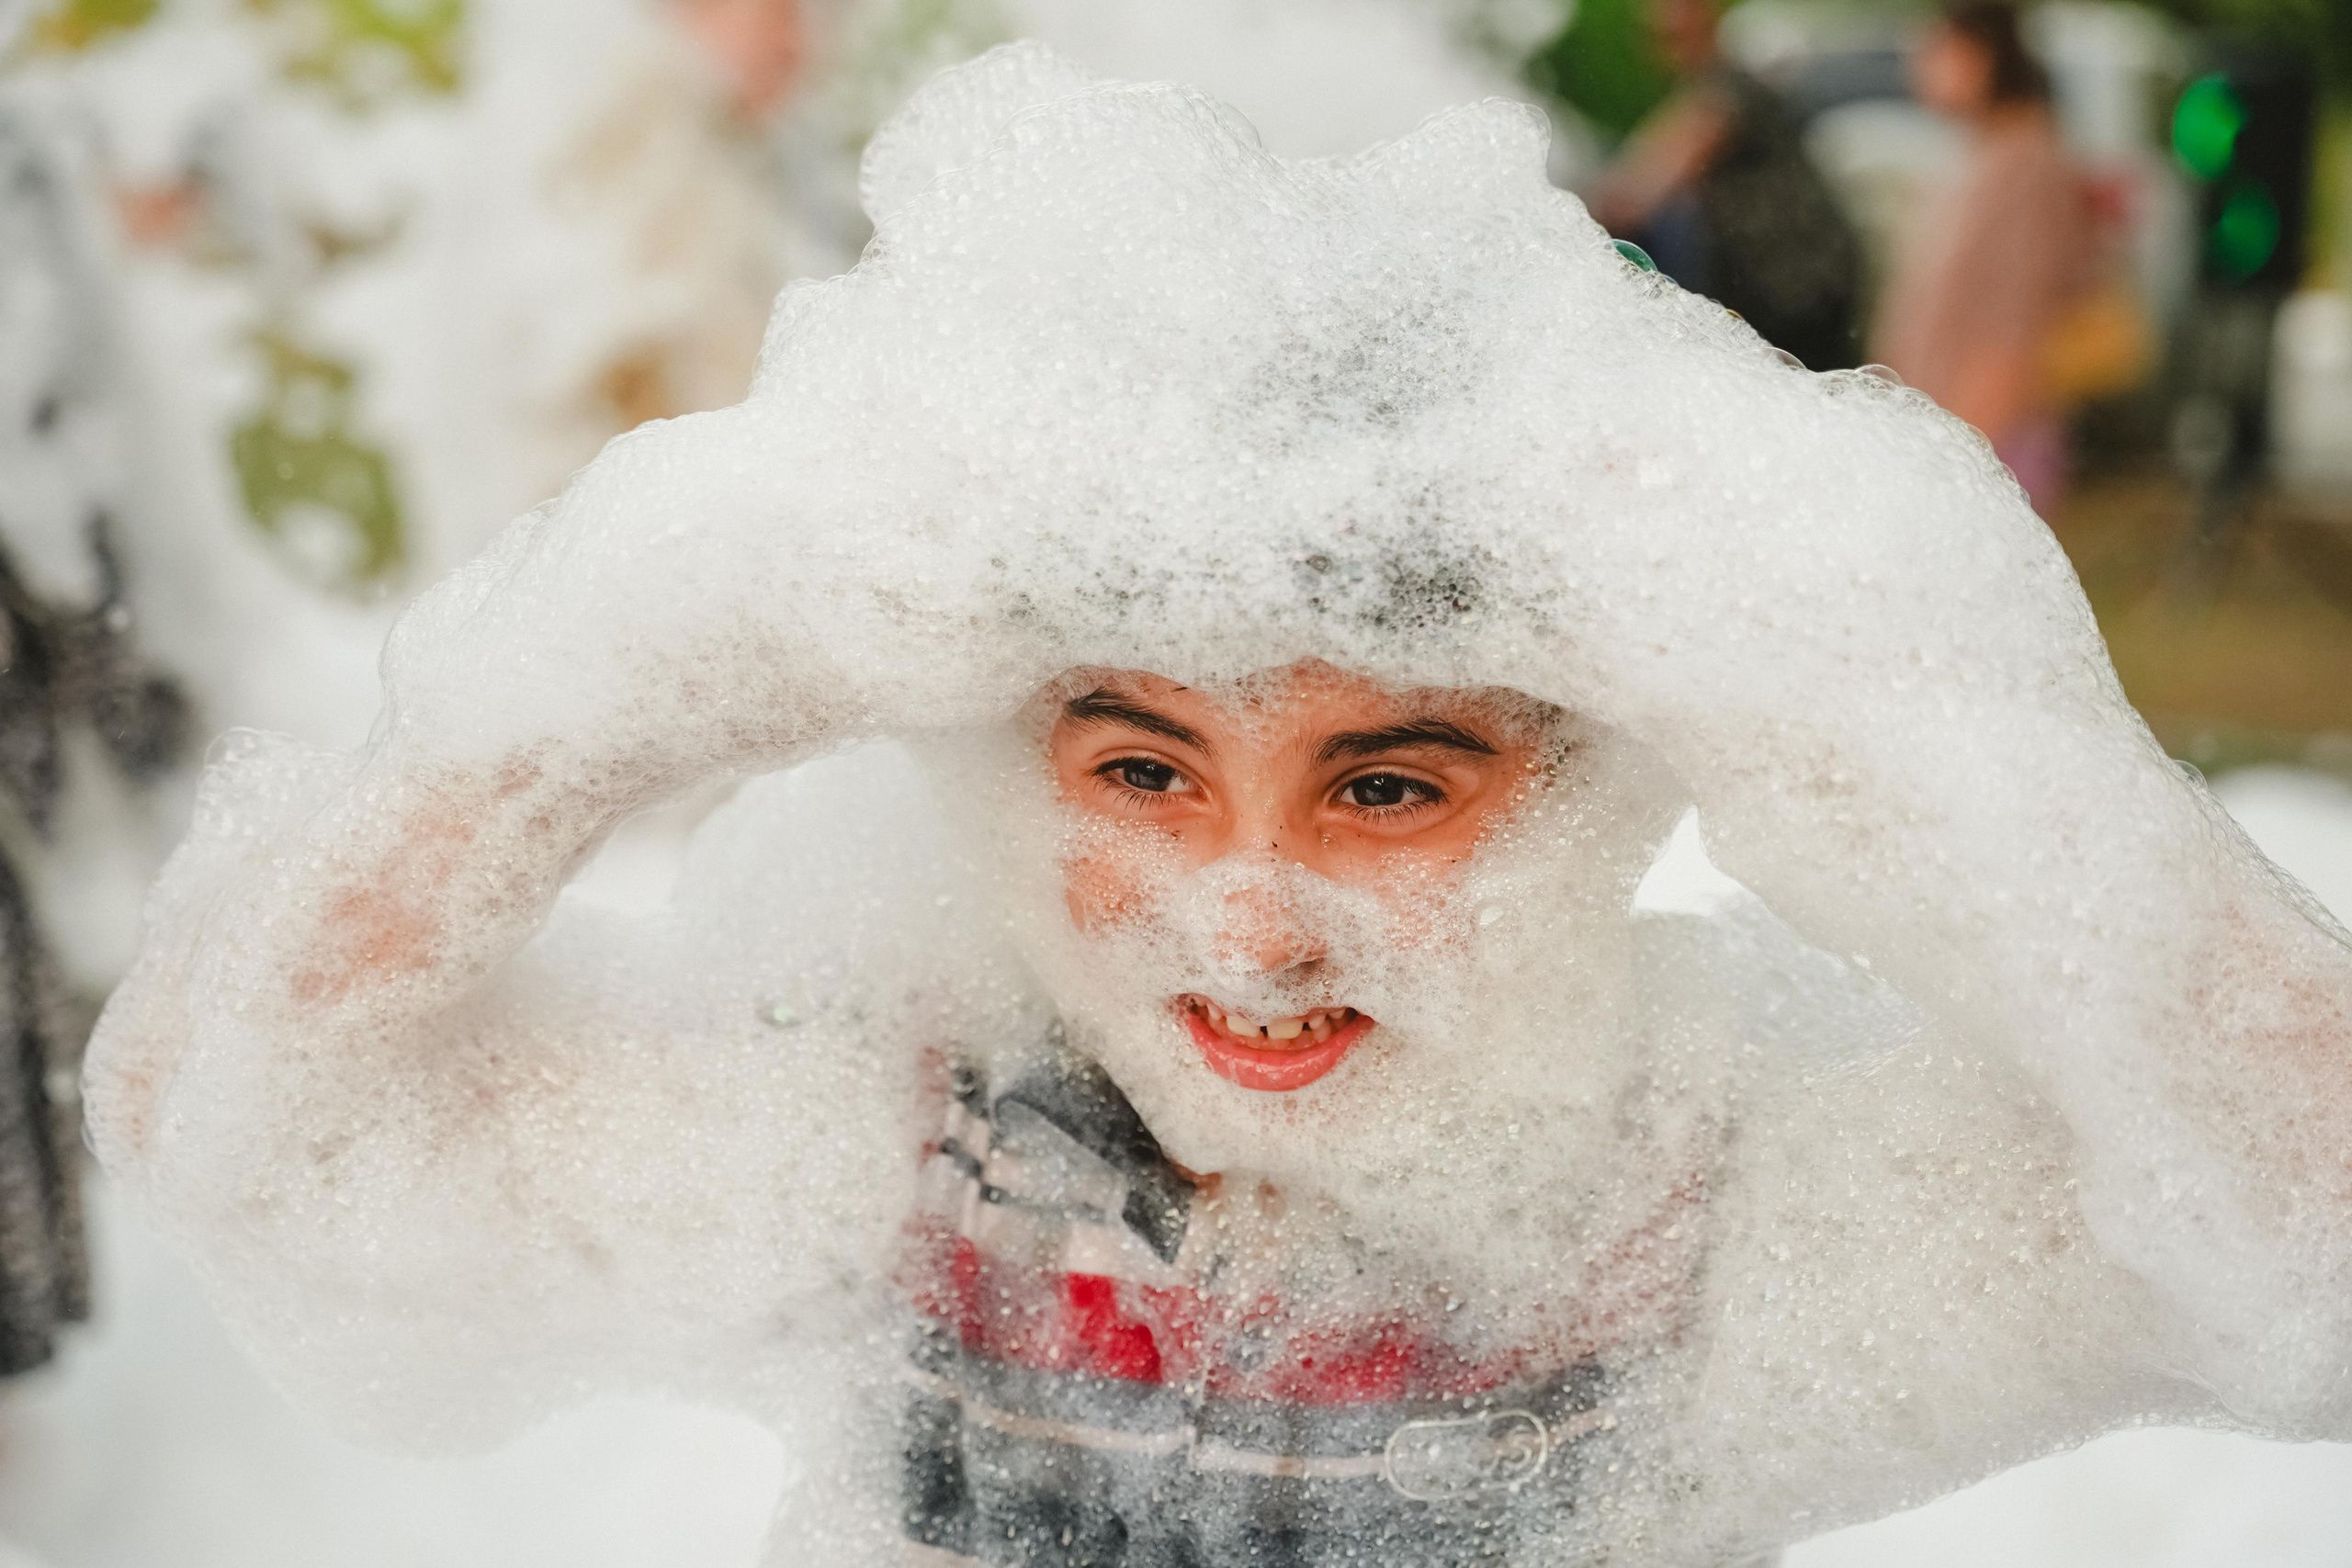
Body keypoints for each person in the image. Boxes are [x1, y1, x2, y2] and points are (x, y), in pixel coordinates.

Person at [84, 44, 2352, 1568]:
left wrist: (1875, 711)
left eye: (1386, 782)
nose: (1242, 917)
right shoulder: (894, 1177)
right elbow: (238, 1110)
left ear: (1593, 771)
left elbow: (2311, 1215)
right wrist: (632, 662)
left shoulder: (1704, 1226)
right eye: (1136, 764)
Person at [1871, 0, 2093, 513]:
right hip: (1949, 440)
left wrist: (1957, 460)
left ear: (1982, 56)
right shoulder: (1987, 155)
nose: (1918, 66)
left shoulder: (2026, 166)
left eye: (1935, 49)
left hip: (1985, 450)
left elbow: (2011, 334)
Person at [1589, 0, 1862, 371]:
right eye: (1660, 36)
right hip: (1791, 281)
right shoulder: (1711, 90)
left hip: (1796, 282)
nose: (1670, 46)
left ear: (1706, 21)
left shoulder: (1728, 92)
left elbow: (1641, 189)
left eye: (1677, 32)